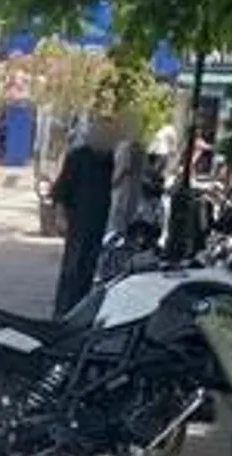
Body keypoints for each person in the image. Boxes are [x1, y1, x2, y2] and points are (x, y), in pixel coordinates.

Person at [50, 120, 116, 316]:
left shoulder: (111, 160)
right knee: (72, 270)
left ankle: (80, 313)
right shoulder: (77, 157)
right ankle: (62, 313)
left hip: (101, 224)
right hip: (78, 223)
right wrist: (60, 216)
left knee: (90, 271)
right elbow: (61, 190)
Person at [106, 112, 145, 238]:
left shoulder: (125, 147)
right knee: (126, 219)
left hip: (122, 189)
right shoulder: (139, 148)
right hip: (133, 190)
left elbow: (124, 170)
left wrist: (112, 184)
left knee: (117, 220)